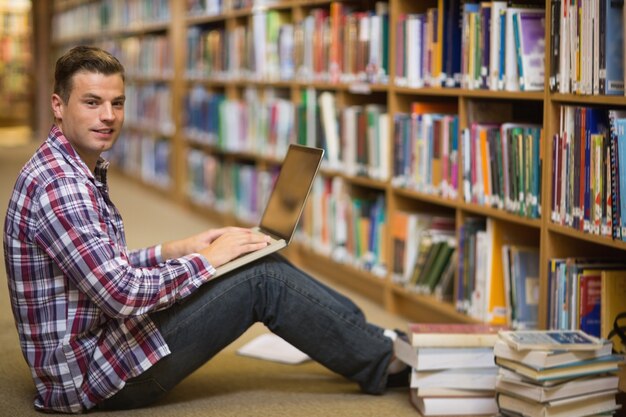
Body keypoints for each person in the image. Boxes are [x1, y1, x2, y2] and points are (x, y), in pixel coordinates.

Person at [3, 45, 408, 414]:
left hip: (98, 347)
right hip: (95, 376)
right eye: (92, 103)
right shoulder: (61, 186)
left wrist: (180, 248)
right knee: (261, 278)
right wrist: (205, 262)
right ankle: (383, 357)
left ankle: (372, 340)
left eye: (117, 103)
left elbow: (101, 266)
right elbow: (121, 294)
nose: (108, 116)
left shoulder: (65, 167)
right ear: (59, 105)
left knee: (253, 258)